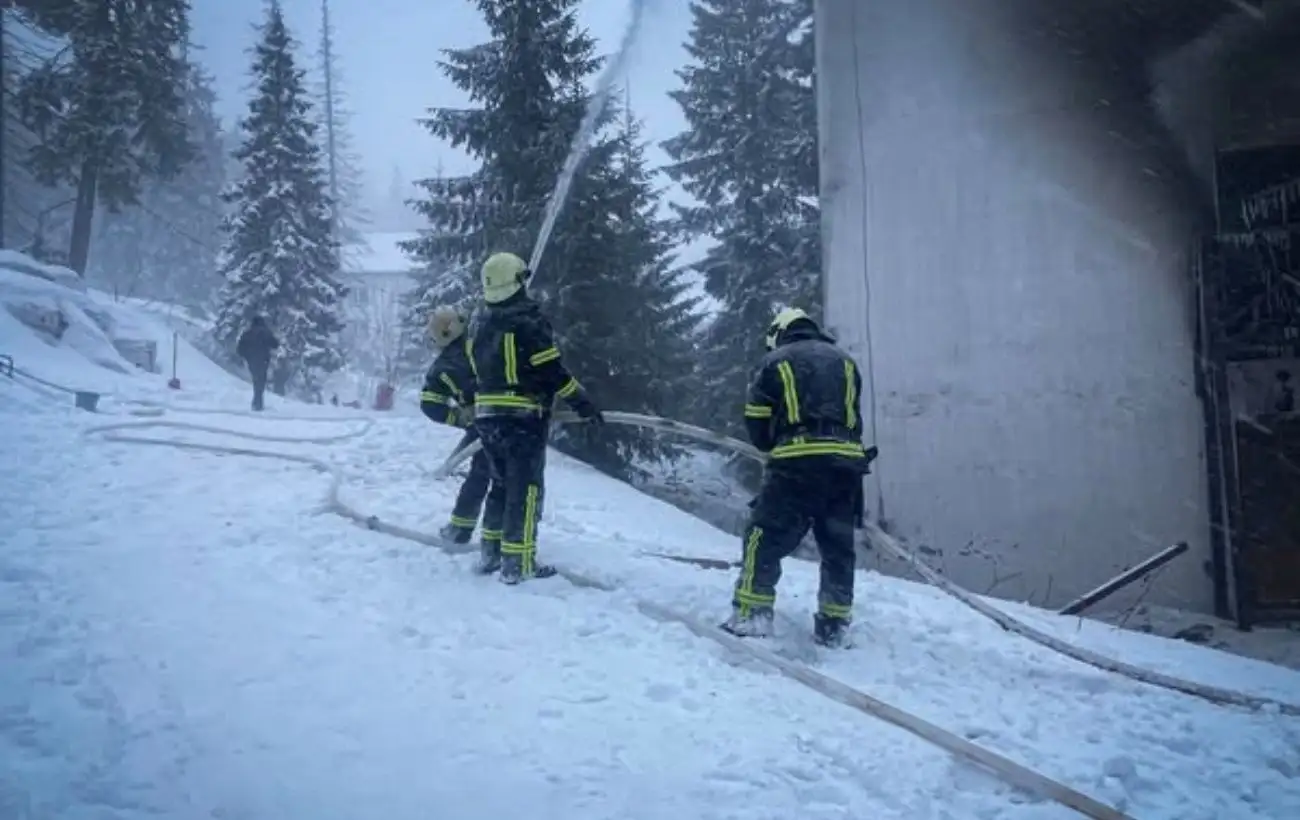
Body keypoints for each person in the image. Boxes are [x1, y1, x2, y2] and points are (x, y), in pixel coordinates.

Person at [723, 307, 878, 647]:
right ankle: (834, 625)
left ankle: (752, 613)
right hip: (846, 466)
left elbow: (757, 420)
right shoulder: (846, 362)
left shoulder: (774, 361)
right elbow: (854, 418)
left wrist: (771, 444)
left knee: (762, 537)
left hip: (798, 462)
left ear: (779, 334)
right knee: (837, 546)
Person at [469, 251, 604, 583]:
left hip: (486, 417)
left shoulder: (479, 321)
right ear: (514, 282)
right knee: (525, 489)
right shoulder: (527, 321)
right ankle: (518, 562)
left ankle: (490, 554)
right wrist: (581, 402)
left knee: (499, 485)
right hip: (521, 418)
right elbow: (550, 370)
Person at [419, 306, 494, 547]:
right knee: (511, 478)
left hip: (485, 424)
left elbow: (430, 404)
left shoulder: (441, 369)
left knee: (479, 476)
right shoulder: (487, 341)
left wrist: (459, 418)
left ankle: (460, 528)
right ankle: (506, 532)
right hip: (511, 418)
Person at [236, 315, 278, 411]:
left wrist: (246, 356)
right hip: (263, 360)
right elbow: (275, 344)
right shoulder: (266, 332)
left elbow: (240, 349)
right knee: (261, 381)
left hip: (252, 361)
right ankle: (258, 403)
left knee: (256, 380)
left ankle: (257, 402)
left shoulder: (247, 333)